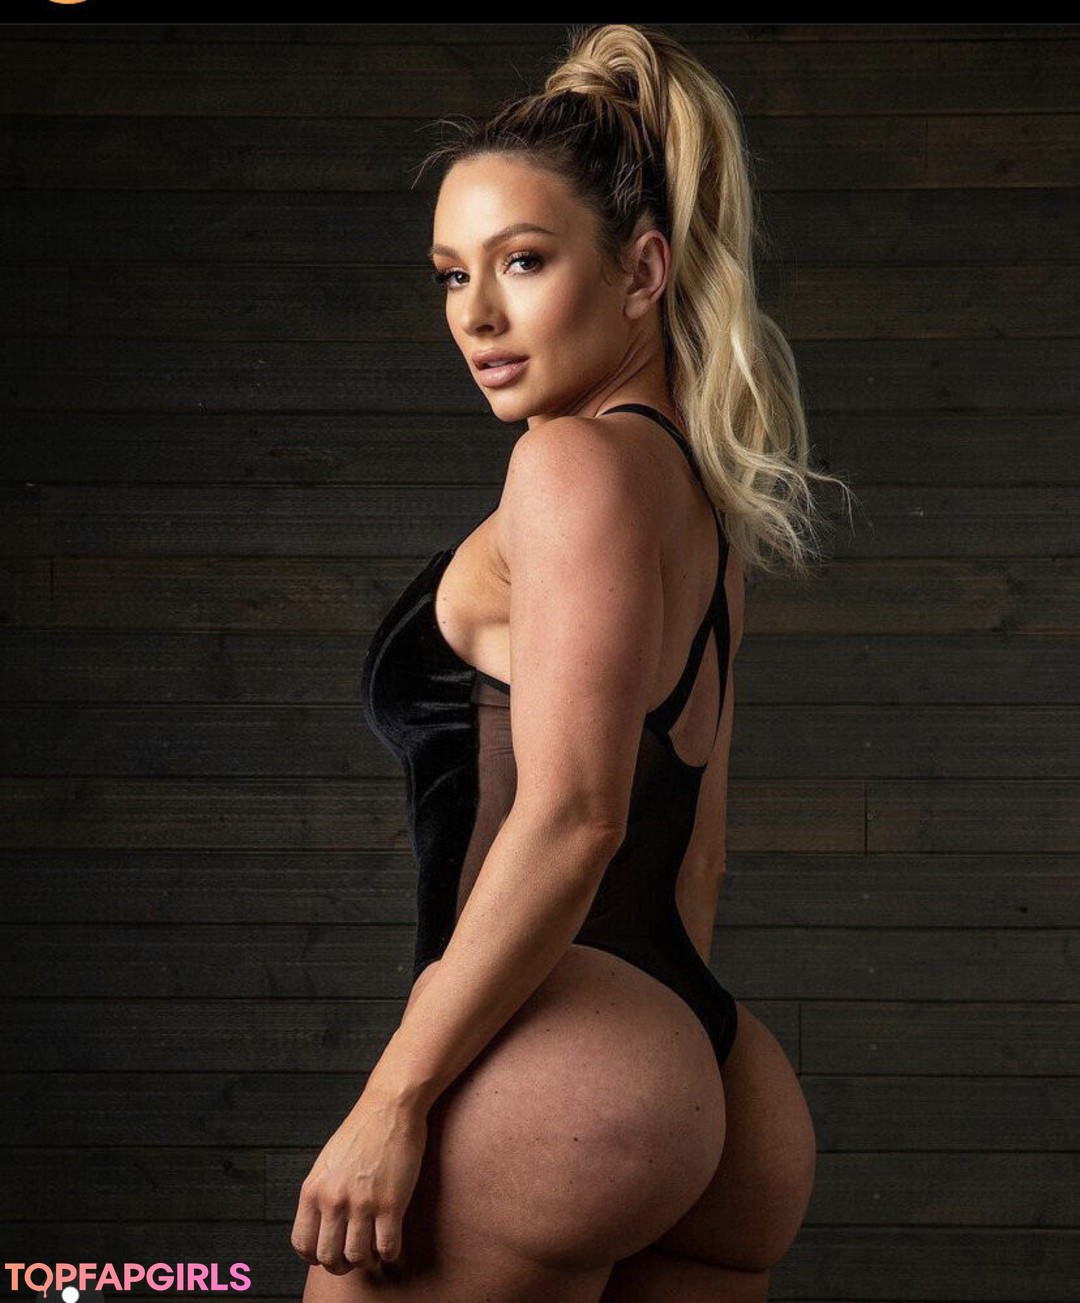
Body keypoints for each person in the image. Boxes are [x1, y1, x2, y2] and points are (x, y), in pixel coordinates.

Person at [293, 22, 851, 1303]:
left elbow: (576, 814)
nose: (475, 315)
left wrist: (396, 1097)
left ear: (643, 269)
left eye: (524, 261)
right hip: (710, 1067)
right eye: (452, 275)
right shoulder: (697, 501)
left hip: (563, 1064)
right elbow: (696, 854)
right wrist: (670, 1073)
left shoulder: (566, 465)